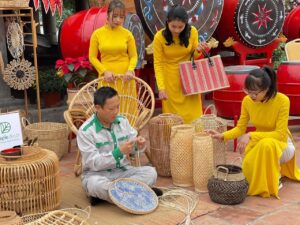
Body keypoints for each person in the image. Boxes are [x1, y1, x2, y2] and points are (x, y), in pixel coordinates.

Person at [208, 66, 300, 198]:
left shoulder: (282, 100)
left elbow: (280, 134)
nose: (251, 96)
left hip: (283, 146)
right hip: (260, 141)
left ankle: (275, 179)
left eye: (255, 93)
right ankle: (262, 178)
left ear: (267, 89)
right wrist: (222, 136)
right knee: (250, 160)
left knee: (266, 144)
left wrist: (251, 135)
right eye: (248, 91)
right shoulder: (247, 101)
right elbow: (240, 128)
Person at [77, 87, 159, 205]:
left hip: (123, 172)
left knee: (151, 173)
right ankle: (138, 191)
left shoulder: (123, 121)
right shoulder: (86, 131)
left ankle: (112, 195)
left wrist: (139, 145)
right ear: (98, 108)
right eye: (111, 108)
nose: (116, 111)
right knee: (95, 185)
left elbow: (133, 150)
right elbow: (93, 163)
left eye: (118, 107)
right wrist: (118, 152)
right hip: (98, 175)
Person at [153, 5, 208, 124]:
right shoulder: (159, 37)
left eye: (180, 27)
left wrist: (199, 50)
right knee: (173, 119)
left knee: (194, 116)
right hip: (170, 80)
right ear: (167, 22)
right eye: (173, 26)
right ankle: (177, 142)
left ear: (186, 24)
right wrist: (161, 88)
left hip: (189, 77)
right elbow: (158, 64)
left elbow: (194, 56)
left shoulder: (192, 32)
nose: (177, 30)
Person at [89, 0, 137, 82]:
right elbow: (92, 57)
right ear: (108, 15)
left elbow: (133, 56)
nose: (118, 20)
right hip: (106, 77)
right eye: (115, 16)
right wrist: (104, 71)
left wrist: (130, 70)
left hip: (125, 77)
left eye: (121, 17)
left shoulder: (128, 34)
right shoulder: (97, 34)